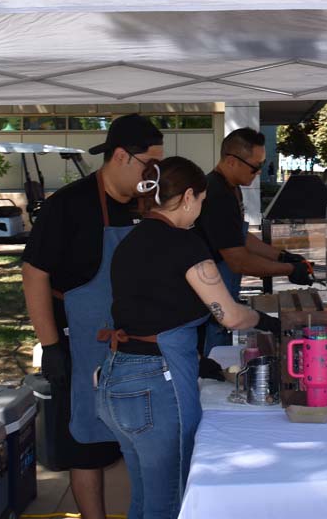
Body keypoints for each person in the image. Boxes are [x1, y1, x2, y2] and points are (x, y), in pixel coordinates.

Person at [98, 156, 280, 519]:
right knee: (169, 502)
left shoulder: (130, 241)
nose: (201, 208)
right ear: (188, 196)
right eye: (201, 200)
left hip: (116, 375)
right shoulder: (186, 244)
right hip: (156, 382)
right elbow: (227, 314)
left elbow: (152, 306)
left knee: (144, 499)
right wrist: (268, 321)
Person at [21, 114, 164, 519]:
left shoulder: (149, 206)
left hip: (140, 350)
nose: (155, 174)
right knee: (86, 447)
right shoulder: (69, 205)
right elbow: (34, 274)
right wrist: (51, 347)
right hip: (81, 346)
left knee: (145, 441)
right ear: (121, 156)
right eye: (149, 164)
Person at [196, 128, 313, 355]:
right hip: (209, 297)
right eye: (254, 166)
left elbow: (240, 236)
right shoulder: (217, 194)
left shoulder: (232, 189)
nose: (259, 171)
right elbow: (238, 260)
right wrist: (289, 269)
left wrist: (281, 256)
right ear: (231, 161)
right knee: (215, 357)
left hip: (224, 287)